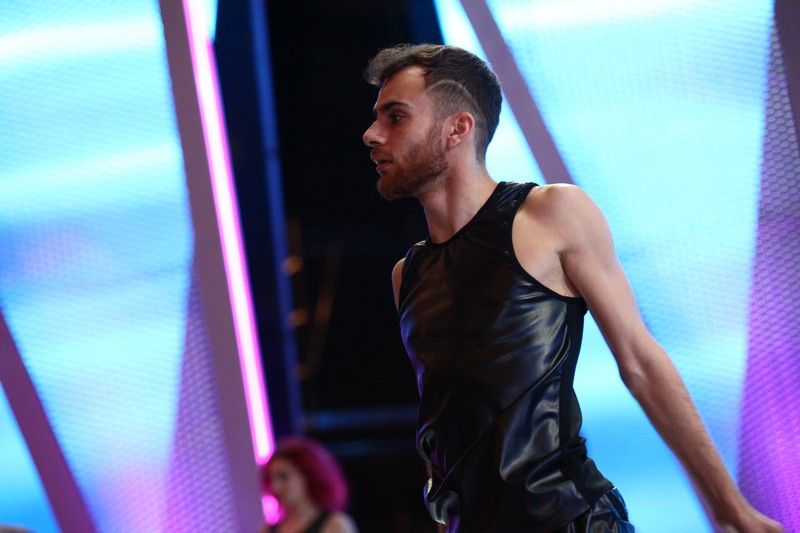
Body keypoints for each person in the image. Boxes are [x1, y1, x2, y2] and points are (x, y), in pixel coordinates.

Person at [361, 43, 784, 533]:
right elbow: (444, 435)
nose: (371, 134)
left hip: (572, 520)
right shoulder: (408, 274)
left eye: (396, 117)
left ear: (458, 128)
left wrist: (730, 509)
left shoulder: (550, 214)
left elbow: (640, 362)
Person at [260, 437, 358, 533]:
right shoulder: (268, 530)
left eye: (283, 476)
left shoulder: (335, 525)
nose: (275, 486)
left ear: (308, 474)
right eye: (271, 479)